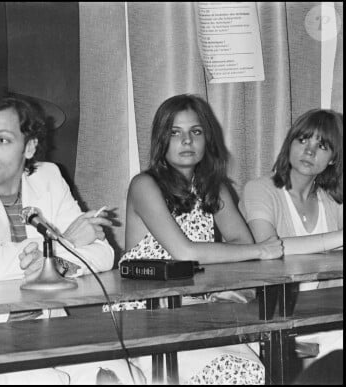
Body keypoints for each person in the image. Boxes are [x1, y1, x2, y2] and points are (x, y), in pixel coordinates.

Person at [0, 90, 145, 384]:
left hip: (46, 327)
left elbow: (102, 254)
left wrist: (52, 257)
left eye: (2, 140)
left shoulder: (48, 177)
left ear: (29, 148)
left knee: (125, 377)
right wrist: (65, 241)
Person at [119, 94, 284, 384]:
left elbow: (240, 244)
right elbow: (184, 252)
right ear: (161, 140)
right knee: (235, 370)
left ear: (207, 139)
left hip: (198, 309)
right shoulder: (145, 185)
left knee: (255, 368)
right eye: (175, 132)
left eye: (195, 132)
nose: (187, 141)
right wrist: (259, 250)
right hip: (146, 314)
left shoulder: (213, 187)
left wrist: (243, 256)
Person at [240, 108, 343, 371]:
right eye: (303, 140)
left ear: (333, 158)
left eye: (322, 145)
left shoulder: (333, 200)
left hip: (325, 311)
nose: (309, 151)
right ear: (290, 143)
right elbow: (269, 247)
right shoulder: (260, 190)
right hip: (273, 313)